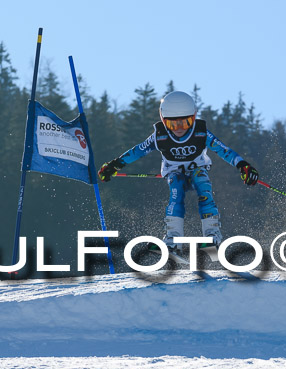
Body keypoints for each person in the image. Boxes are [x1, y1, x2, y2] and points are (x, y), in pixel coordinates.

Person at [98, 90, 259, 253]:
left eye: (186, 122)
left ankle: (213, 235)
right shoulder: (159, 136)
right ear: (163, 120)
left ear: (194, 117)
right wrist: (115, 165)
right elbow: (138, 150)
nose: (179, 129)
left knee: (203, 187)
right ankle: (172, 240)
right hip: (174, 172)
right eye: (173, 124)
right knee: (176, 193)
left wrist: (242, 166)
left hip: (197, 168)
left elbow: (223, 150)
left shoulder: (200, 132)